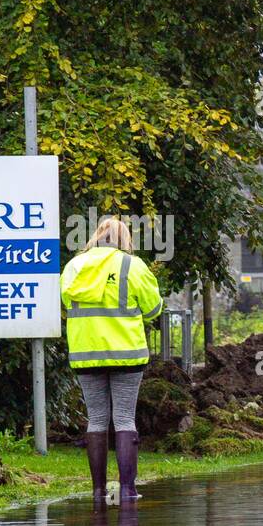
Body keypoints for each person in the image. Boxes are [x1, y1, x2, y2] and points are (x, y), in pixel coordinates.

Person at [60, 217, 163, 506]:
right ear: (124, 239)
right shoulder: (132, 265)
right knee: (124, 418)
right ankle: (128, 489)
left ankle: (98, 491)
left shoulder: (74, 266)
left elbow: (65, 301)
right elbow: (153, 309)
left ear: (96, 235)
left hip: (86, 354)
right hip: (126, 354)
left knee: (97, 419)